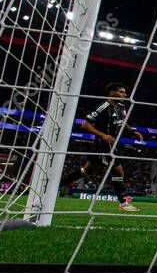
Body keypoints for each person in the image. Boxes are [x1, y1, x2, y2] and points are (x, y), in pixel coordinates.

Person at [61, 82, 144, 212]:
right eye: (121, 92)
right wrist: (102, 135)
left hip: (112, 144)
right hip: (103, 145)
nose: (125, 94)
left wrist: (133, 131)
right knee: (118, 171)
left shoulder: (121, 107)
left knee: (86, 171)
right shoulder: (103, 107)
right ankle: (123, 204)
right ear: (112, 93)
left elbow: (122, 123)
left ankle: (58, 185)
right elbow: (85, 125)